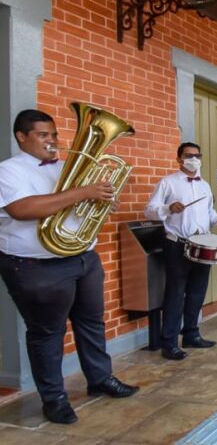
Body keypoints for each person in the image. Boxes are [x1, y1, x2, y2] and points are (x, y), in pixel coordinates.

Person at [0, 110, 138, 424]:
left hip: (83, 258)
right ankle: (54, 399)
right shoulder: (9, 171)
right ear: (21, 137)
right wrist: (83, 192)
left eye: (54, 135)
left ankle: (100, 378)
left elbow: (82, 203)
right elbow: (22, 209)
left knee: (92, 322)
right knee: (47, 333)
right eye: (43, 135)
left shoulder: (67, 168)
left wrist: (101, 199)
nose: (52, 141)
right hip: (36, 266)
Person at [145, 142, 217, 361]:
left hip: (202, 244)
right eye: (189, 155)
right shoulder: (168, 183)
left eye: (197, 155)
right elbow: (149, 211)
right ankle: (169, 343)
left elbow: (209, 212)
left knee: (197, 291)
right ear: (179, 159)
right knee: (175, 294)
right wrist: (167, 208)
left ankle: (191, 333)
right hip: (177, 244)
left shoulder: (205, 185)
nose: (194, 159)